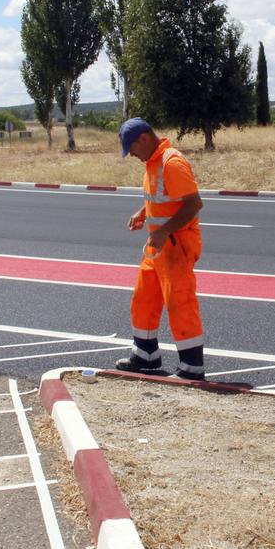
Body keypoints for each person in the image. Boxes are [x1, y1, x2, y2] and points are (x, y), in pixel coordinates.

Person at [114, 118, 206, 381]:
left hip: (176, 244)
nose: (132, 155)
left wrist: (165, 231)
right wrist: (143, 212)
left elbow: (193, 204)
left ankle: (191, 367)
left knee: (180, 303)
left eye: (132, 148)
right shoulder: (153, 163)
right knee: (144, 298)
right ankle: (146, 355)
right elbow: (163, 199)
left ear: (144, 139)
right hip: (158, 246)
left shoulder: (171, 163)